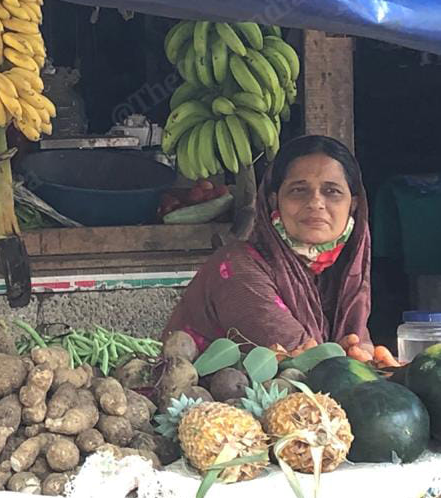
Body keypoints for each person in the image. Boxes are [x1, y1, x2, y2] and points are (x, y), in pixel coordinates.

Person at [164, 134, 394, 364]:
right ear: (274, 201)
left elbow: (352, 362)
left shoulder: (340, 275)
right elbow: (306, 363)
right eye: (298, 190)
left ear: (352, 205)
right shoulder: (237, 269)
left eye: (332, 191)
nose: (315, 202)